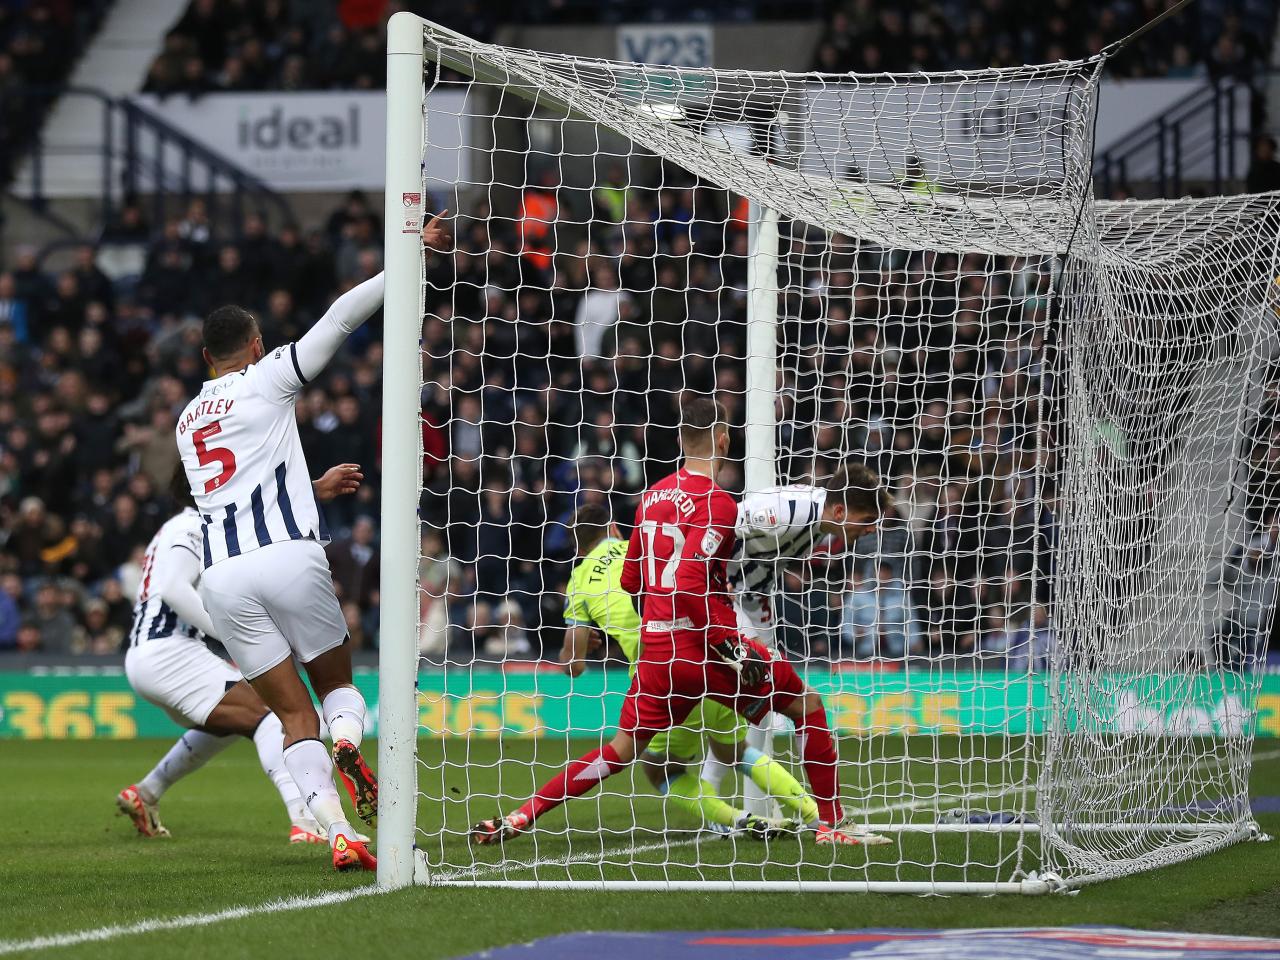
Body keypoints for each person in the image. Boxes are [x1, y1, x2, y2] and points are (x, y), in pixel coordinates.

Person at [472, 397, 889, 847]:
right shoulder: (721, 504)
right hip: (709, 650)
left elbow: (633, 581)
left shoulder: (650, 499)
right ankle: (831, 824)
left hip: (657, 655)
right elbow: (690, 578)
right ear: (725, 440)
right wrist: (730, 644)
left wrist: (658, 626)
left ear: (679, 440)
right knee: (805, 707)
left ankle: (521, 816)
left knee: (620, 752)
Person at [174, 213, 451, 871]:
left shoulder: (187, 421)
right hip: (289, 557)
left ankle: (337, 834)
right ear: (257, 343)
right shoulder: (267, 377)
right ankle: (351, 740)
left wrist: (312, 485)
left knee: (291, 717)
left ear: (205, 357)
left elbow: (230, 486)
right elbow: (337, 321)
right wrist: (405, 259)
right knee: (334, 687)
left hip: (222, 577)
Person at [117, 463, 364, 844]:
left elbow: (258, 505)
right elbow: (172, 588)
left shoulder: (194, 525)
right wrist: (230, 636)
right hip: (169, 651)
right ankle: (303, 816)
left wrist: (312, 487)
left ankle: (146, 793)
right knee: (270, 712)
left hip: (155, 652)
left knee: (233, 721)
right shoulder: (190, 527)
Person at [558, 502, 817, 838]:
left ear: (578, 547)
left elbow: (573, 666)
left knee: (659, 769)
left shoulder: (579, 581)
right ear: (613, 530)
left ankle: (735, 818)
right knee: (734, 751)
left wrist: (584, 646)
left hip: (663, 679)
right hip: (713, 656)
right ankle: (814, 814)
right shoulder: (645, 545)